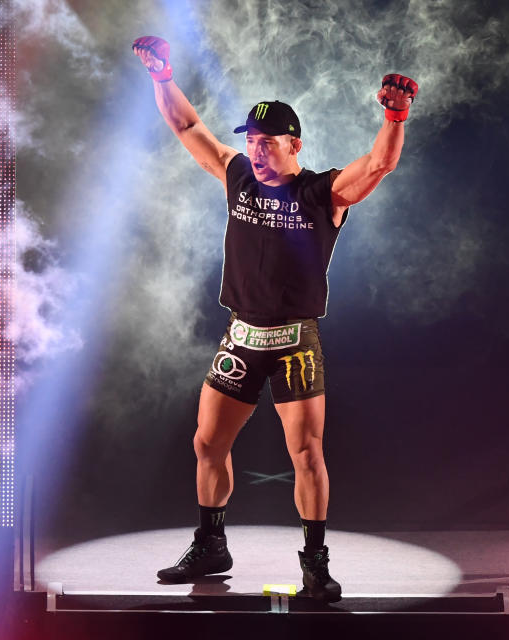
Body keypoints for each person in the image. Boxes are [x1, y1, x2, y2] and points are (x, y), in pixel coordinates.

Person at [132, 35, 416, 603]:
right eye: (253, 142)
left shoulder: (322, 193)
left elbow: (381, 162)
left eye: (269, 144)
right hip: (240, 336)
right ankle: (211, 545)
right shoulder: (237, 178)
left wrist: (395, 114)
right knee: (207, 444)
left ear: (296, 145)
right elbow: (189, 129)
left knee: (306, 455)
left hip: (294, 343)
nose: (258, 152)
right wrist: (163, 77)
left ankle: (315, 563)